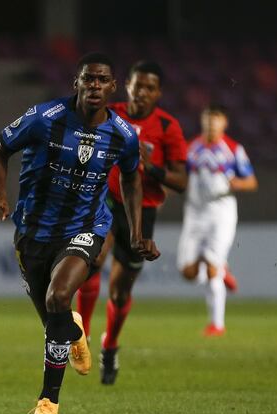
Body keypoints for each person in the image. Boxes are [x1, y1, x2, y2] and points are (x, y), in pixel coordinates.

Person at [0, 52, 159, 414]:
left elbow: (131, 177)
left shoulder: (123, 135)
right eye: (88, 78)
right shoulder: (44, 118)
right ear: (76, 83)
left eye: (102, 80)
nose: (94, 85)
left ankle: (48, 402)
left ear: (113, 87)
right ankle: (73, 331)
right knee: (55, 322)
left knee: (59, 295)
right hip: (33, 231)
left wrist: (136, 232)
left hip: (86, 227)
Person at [74, 60, 188, 385]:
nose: (142, 92)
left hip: (141, 212)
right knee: (93, 259)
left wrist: (151, 168)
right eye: (138, 86)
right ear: (127, 86)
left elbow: (182, 181)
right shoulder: (110, 114)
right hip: (106, 201)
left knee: (120, 294)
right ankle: (82, 336)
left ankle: (110, 345)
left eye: (150, 88)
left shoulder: (167, 127)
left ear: (158, 93)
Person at [177, 104, 257, 336]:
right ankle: (222, 269)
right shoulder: (191, 148)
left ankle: (217, 324)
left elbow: (251, 181)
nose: (211, 124)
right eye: (207, 119)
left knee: (211, 266)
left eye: (216, 119)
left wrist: (238, 183)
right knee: (188, 272)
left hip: (221, 213)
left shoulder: (233, 149)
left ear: (224, 123)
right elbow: (181, 176)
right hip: (194, 213)